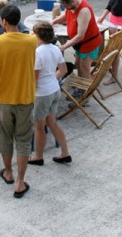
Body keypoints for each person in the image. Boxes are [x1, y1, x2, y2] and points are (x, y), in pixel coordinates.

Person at [0, 5, 37, 199]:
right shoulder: (31, 41)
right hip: (25, 98)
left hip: (3, 99)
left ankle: (8, 171)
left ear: (4, 22)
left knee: (5, 136)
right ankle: (20, 182)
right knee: (23, 140)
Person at [28, 22, 71, 166]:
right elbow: (63, 70)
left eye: (32, 33)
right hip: (54, 89)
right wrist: (52, 78)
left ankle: (38, 156)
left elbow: (34, 80)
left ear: (38, 35)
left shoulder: (37, 53)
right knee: (52, 123)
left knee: (39, 127)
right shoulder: (55, 48)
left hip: (42, 94)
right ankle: (65, 152)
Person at [52, 0, 102, 81]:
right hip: (80, 44)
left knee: (84, 69)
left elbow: (80, 36)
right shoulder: (72, 1)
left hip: (89, 44)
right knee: (78, 64)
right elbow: (67, 13)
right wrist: (55, 21)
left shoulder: (84, 11)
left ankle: (86, 89)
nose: (65, 9)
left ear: (73, 2)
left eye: (66, 6)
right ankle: (80, 84)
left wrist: (64, 46)